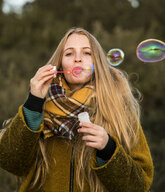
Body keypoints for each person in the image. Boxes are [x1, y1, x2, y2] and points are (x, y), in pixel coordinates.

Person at [0, 27, 153, 192]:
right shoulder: (40, 106)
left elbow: (139, 186)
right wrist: (34, 101)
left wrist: (108, 148)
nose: (78, 59)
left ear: (98, 63)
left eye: (87, 53)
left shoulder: (118, 111)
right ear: (59, 64)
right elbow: (11, 162)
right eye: (69, 54)